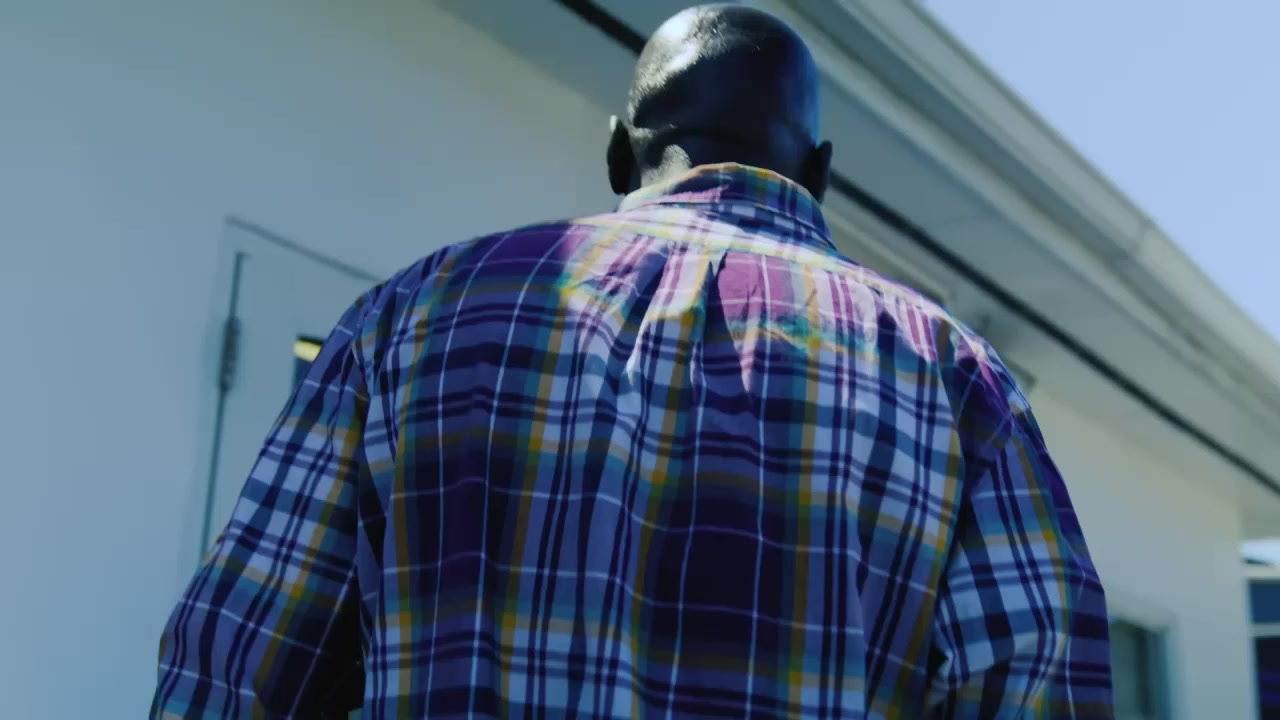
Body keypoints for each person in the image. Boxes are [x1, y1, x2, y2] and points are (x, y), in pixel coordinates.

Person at [152, 5, 1113, 718]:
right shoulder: (954, 379)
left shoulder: (408, 317)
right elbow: (1040, 689)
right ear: (818, 174)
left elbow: (236, 670)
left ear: (620, 153)